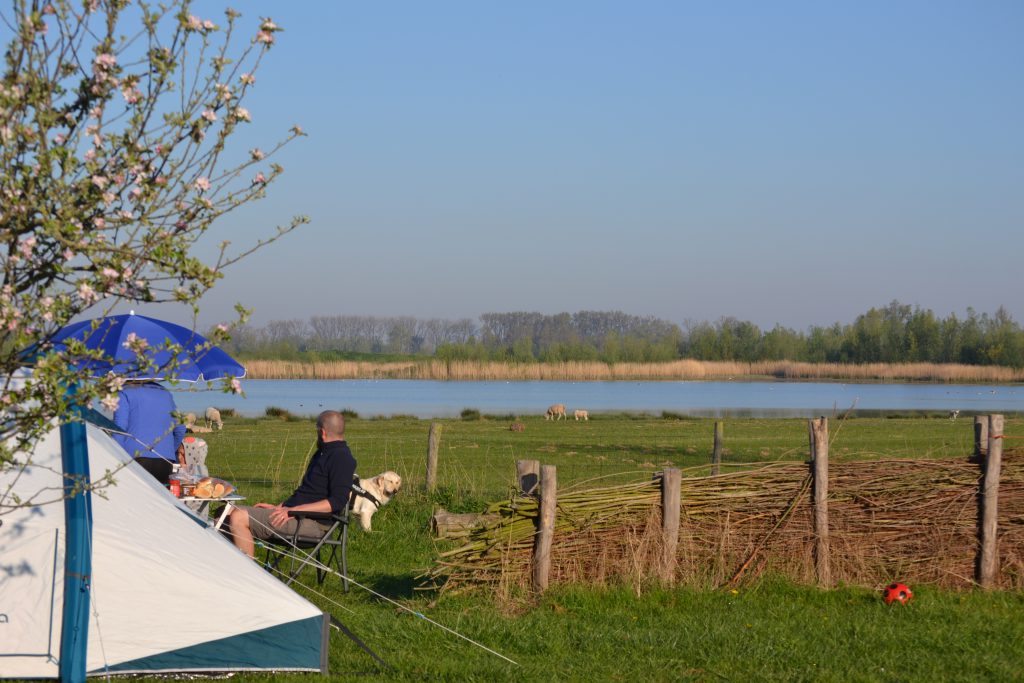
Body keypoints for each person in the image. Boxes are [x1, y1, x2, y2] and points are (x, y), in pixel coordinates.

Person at [225, 410, 356, 558]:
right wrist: (280, 507)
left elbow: (337, 501)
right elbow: (306, 493)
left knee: (238, 517)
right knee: (224, 514)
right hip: (296, 515)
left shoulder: (342, 457)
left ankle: (248, 576)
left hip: (313, 525)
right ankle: (225, 571)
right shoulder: (321, 454)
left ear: (322, 432)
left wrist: (293, 511)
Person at [111, 380, 187, 485]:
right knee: (159, 500)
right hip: (165, 461)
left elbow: (118, 429)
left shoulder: (124, 392)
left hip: (133, 458)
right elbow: (181, 428)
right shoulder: (166, 394)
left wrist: (115, 456)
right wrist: (169, 451)